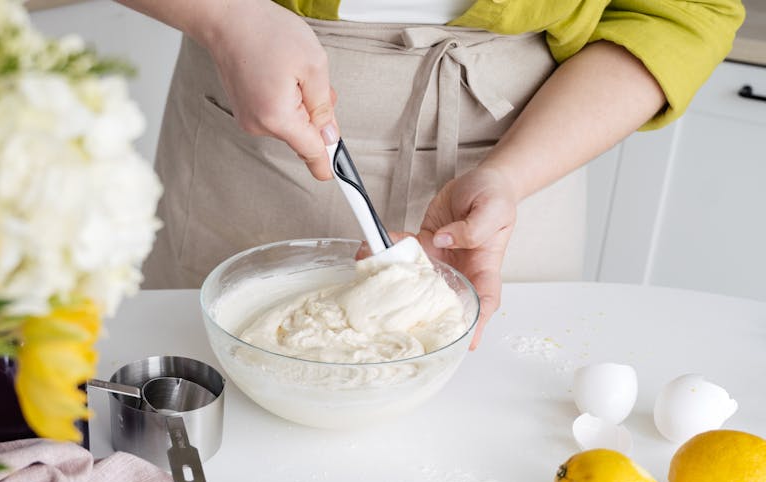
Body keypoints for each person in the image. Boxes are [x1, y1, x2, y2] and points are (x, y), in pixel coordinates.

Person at [115, 0, 744, 348]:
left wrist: (510, 176)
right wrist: (227, 17)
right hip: (256, 124)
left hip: (528, 151)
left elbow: (680, 11)